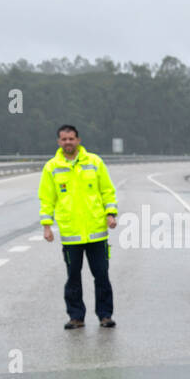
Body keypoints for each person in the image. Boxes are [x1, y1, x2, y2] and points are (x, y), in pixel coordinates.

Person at [38, 125, 119, 328]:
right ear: (58, 142)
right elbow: (47, 199)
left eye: (71, 139)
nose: (68, 142)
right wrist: (47, 226)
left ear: (78, 140)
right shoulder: (52, 167)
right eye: (64, 139)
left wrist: (111, 214)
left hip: (97, 233)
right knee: (73, 277)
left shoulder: (94, 162)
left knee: (101, 276)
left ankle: (105, 315)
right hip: (70, 233)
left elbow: (107, 191)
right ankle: (76, 317)